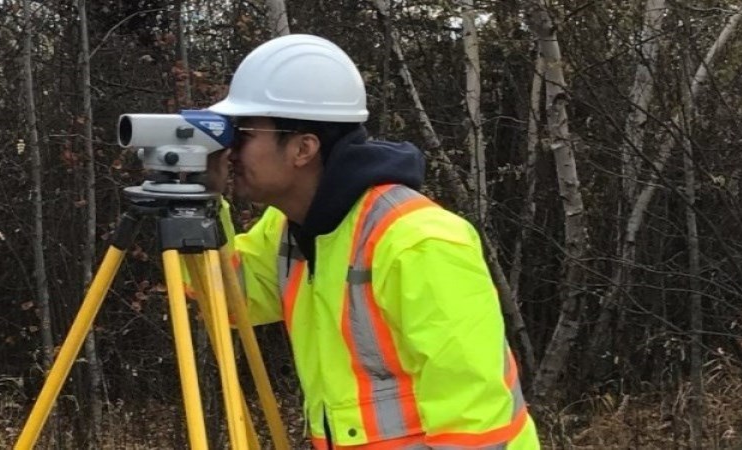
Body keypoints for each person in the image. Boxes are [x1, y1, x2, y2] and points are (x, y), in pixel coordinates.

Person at [202, 34, 539, 450]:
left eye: (242, 134)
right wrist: (197, 205)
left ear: (303, 148)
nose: (228, 152)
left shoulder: (418, 241)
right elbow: (230, 297)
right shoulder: (291, 227)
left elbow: (475, 427)